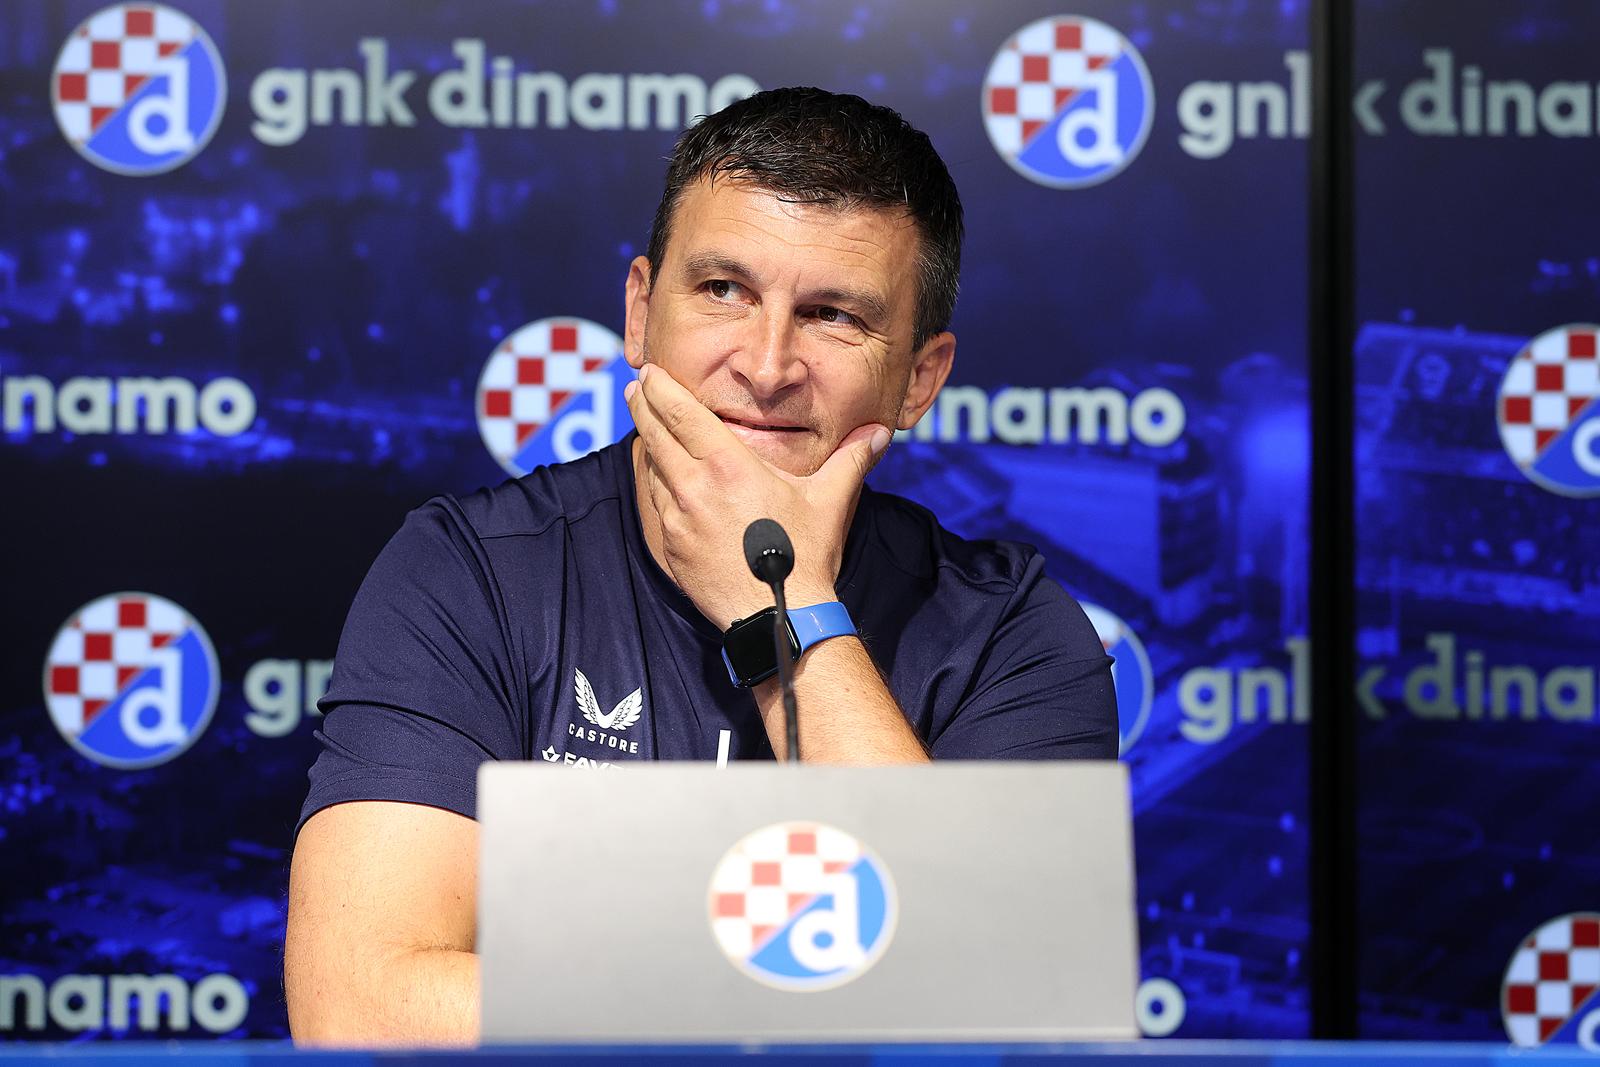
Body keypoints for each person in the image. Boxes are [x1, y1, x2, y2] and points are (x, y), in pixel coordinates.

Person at [284, 86, 1117, 1046]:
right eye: (723, 290)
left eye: (834, 315)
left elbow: (994, 1018)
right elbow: (359, 1012)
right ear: (641, 314)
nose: (766, 365)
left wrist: (786, 607)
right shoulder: (470, 574)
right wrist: (792, 1001)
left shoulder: (1012, 632)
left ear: (920, 378)